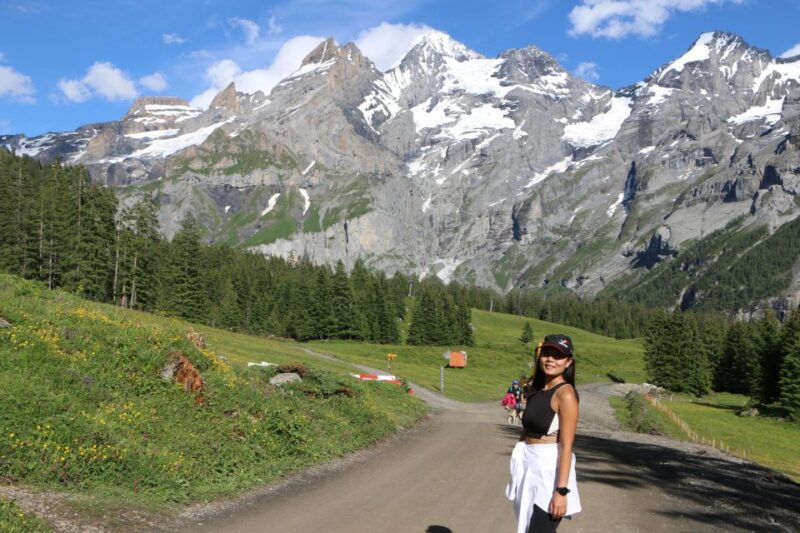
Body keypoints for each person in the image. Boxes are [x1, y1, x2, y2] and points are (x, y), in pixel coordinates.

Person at [505, 334, 581, 533]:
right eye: (546, 353)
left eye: (558, 356)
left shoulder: (565, 394)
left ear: (568, 362)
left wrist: (561, 491)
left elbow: (566, 446)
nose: (550, 360)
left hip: (549, 471)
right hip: (530, 466)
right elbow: (527, 429)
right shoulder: (536, 388)